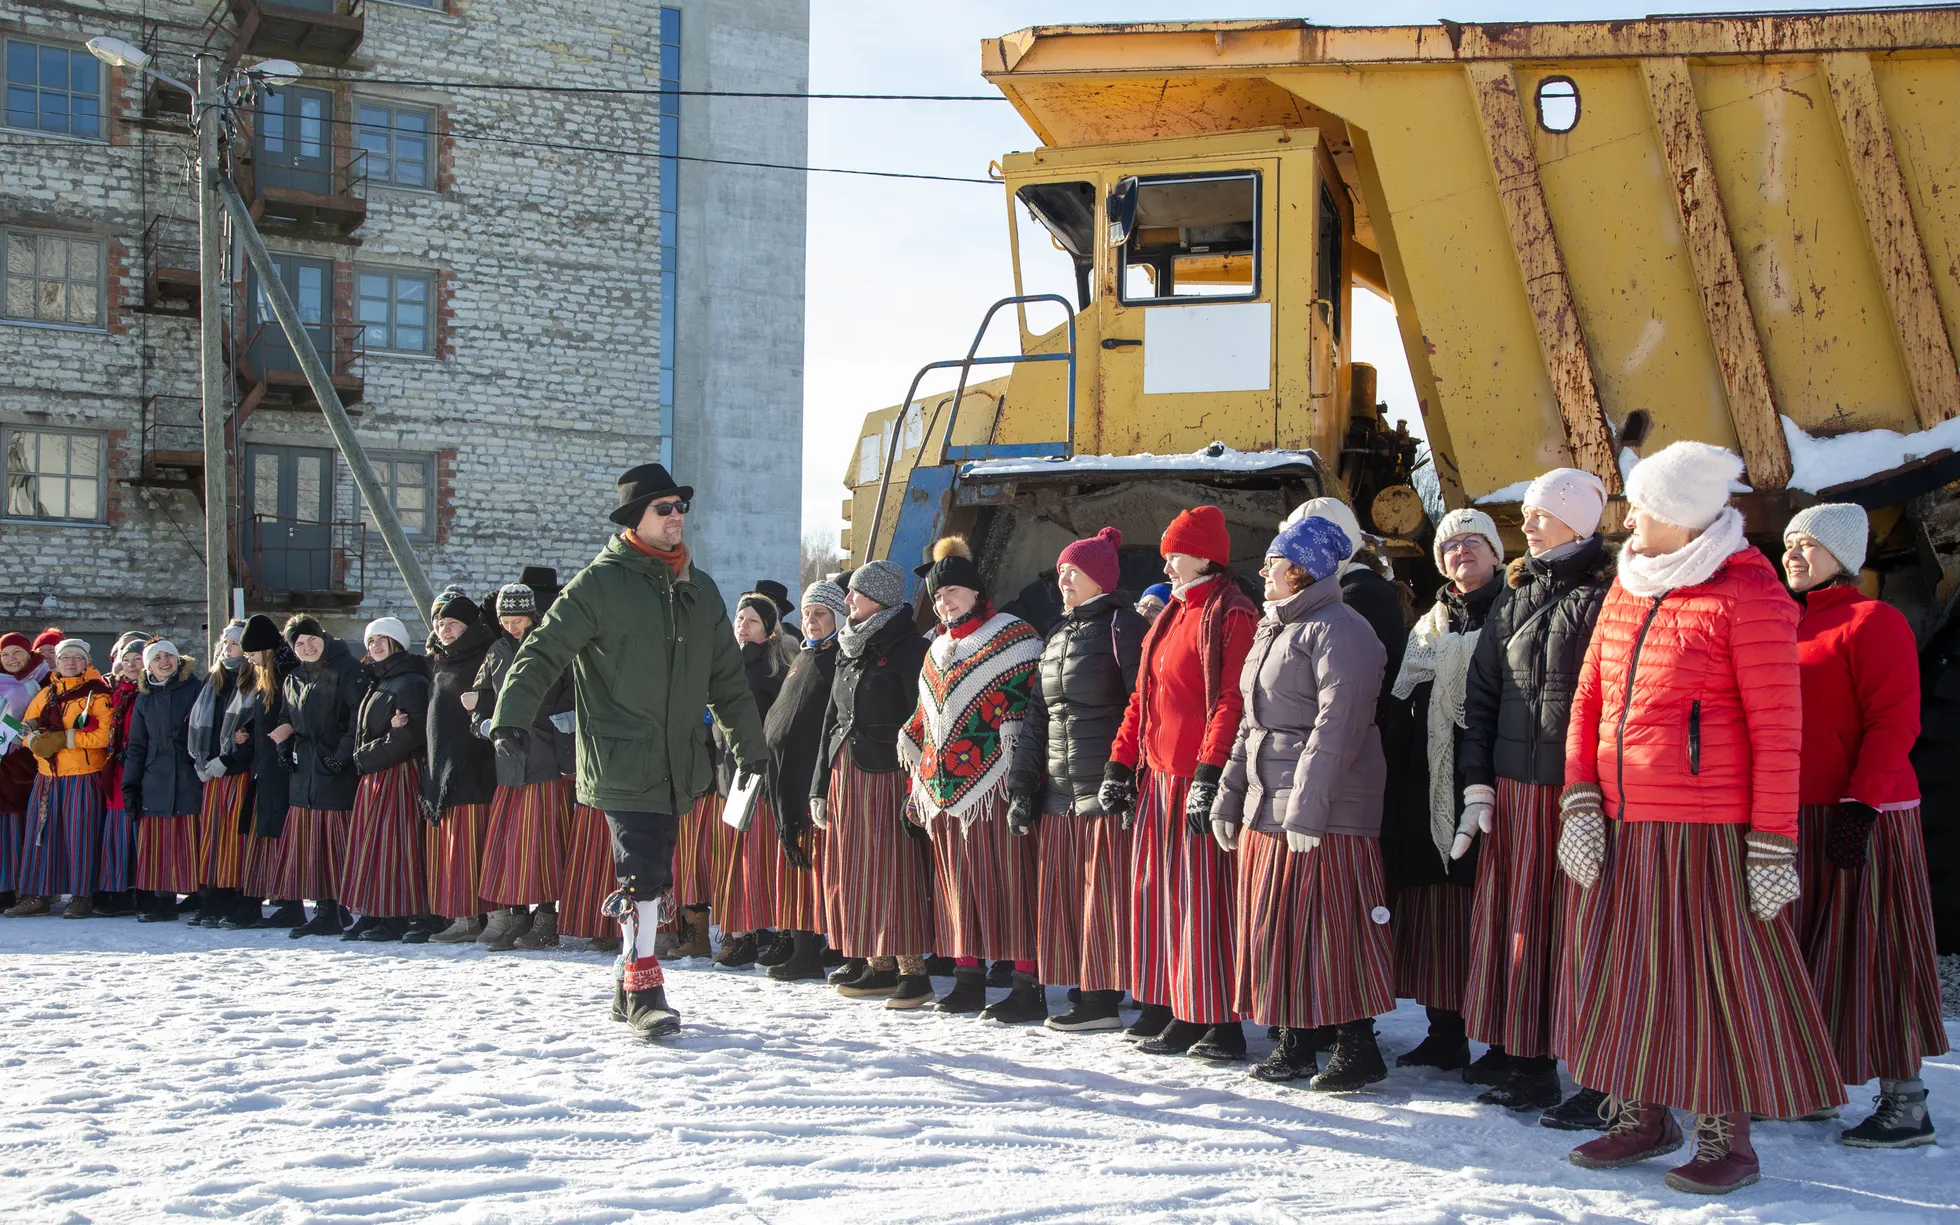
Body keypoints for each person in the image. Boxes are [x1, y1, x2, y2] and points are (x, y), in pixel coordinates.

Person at [1560, 441, 1844, 1194]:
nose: (1631, 521)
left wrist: (1772, 841)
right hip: (1626, 820)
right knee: (1632, 975)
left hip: (1709, 826)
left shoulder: (1747, 593)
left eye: (1645, 508)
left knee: (1711, 980)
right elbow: (1588, 699)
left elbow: (1780, 729)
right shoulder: (1628, 586)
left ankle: (1729, 1137)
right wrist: (1580, 795)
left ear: (1684, 520)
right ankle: (1642, 1116)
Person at [493, 462, 765, 1040]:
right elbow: (542, 652)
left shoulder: (700, 587)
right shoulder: (599, 583)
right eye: (663, 508)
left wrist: (750, 748)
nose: (677, 517)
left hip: (678, 758)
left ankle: (625, 983)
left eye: (681, 506)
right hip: (620, 755)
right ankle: (645, 988)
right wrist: (510, 718)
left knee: (655, 868)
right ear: (636, 520)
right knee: (640, 869)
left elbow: (728, 681)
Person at [1451, 468, 1616, 1123]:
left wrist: (1596, 796)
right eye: (1526, 510)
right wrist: (1478, 780)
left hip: (1579, 797)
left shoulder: (1607, 596)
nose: (1528, 522)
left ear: (1578, 521)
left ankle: (1603, 1077)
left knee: (1583, 933)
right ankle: (1532, 1062)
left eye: (1541, 512)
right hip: (1519, 793)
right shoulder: (1515, 598)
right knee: (1522, 929)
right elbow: (1483, 696)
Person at [1783, 504, 1946, 1148]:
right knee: (1809, 948)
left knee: (1875, 951)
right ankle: (1817, 1088)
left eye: (1809, 544)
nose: (1793, 553)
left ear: (1845, 555)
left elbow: (1895, 721)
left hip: (1863, 814)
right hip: (1797, 816)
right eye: (1790, 543)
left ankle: (1906, 1103)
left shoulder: (1872, 621)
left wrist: (1862, 804)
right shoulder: (1785, 625)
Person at [1212, 512, 1393, 1089]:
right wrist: (1227, 800)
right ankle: (1294, 1043)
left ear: (1299, 569)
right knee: (1281, 929)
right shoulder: (1274, 629)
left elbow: (1337, 727)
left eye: (1272, 562)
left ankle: (1356, 1047)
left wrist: (1307, 811)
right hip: (1271, 806)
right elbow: (1251, 726)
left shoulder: (1343, 630)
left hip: (1326, 813)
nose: (1262, 571)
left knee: (1334, 929)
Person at [1101, 505, 1260, 1060]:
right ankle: (1176, 1004)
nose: (1167, 565)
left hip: (1194, 777)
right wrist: (1120, 765)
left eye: (1175, 554)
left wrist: (1210, 774)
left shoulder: (1230, 613)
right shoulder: (1173, 612)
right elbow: (1143, 699)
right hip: (1159, 777)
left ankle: (1218, 1019)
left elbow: (1231, 702)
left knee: (1203, 901)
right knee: (1160, 898)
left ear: (1205, 556)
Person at [1005, 528, 1147, 1031]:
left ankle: (1103, 1000)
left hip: (1102, 785)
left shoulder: (1122, 627)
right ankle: (1084, 990)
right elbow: (1037, 718)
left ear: (1100, 578)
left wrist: (1126, 775)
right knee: (1068, 896)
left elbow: (1140, 704)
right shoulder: (1058, 633)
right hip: (1060, 789)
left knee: (1103, 897)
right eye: (1061, 571)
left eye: (1074, 572)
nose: (1063, 580)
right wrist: (1022, 788)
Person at [1379, 509, 1506, 1073]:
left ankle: (1508, 1044)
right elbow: (1404, 704)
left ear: (1496, 553)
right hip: (1430, 785)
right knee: (1438, 914)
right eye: (1450, 547)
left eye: (1473, 543)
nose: (1461, 553)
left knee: (1495, 914)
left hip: (1491, 779)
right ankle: (1445, 1032)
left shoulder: (1511, 613)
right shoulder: (1428, 627)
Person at [901, 537, 1046, 1020]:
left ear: (976, 591)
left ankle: (1026, 982)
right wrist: (914, 770)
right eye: (939, 596)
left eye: (953, 592)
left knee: (1009, 881)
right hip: (942, 789)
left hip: (996, 785)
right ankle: (967, 977)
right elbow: (927, 714)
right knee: (957, 884)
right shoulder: (936, 648)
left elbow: (1032, 708)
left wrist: (1022, 773)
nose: (945, 602)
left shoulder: (1017, 638)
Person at [809, 560, 935, 1005]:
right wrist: (819, 785)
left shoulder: (909, 649)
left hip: (887, 773)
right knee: (856, 870)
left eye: (855, 594)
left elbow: (922, 720)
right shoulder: (849, 645)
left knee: (891, 869)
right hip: (848, 771)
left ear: (878, 597)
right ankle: (878, 965)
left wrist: (917, 784)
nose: (847, 602)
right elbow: (833, 718)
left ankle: (913, 972)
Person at [474, 581, 576, 951]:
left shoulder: (552, 645)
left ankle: (547, 917)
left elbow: (572, 693)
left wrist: (553, 726)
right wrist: (486, 726)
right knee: (510, 845)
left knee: (544, 843)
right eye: (506, 619)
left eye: (517, 619)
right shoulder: (497, 651)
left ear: (532, 615)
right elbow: (483, 698)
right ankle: (518, 916)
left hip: (547, 755)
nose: (512, 626)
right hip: (509, 761)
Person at [759, 580, 848, 982]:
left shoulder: (839, 658)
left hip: (814, 779)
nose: (811, 621)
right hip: (786, 777)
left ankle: (823, 949)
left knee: (820, 870)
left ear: (839, 618)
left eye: (821, 614)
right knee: (795, 870)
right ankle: (800, 947)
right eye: (808, 613)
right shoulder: (805, 657)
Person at [712, 587, 796, 968]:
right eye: (739, 618)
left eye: (752, 620)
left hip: (764, 775)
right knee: (738, 858)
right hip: (731, 772)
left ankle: (781, 933)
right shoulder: (725, 663)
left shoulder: (773, 668)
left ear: (768, 629)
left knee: (765, 857)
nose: (742, 626)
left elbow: (783, 723)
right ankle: (742, 934)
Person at [341, 617, 431, 943]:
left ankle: (396, 915)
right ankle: (374, 912)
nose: (375, 646)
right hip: (377, 774)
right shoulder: (380, 680)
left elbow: (407, 736)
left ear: (398, 643)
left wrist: (363, 757)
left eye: (383, 639)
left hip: (398, 773)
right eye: (371, 641)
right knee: (374, 846)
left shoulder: (409, 682)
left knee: (394, 846)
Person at [7, 640, 112, 918]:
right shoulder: (46, 694)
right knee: (41, 836)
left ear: (86, 662)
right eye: (65, 657)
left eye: (77, 657)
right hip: (47, 776)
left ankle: (82, 895)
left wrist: (63, 739)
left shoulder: (98, 694)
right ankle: (37, 895)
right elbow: (22, 727)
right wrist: (33, 741)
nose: (70, 662)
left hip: (82, 774)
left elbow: (103, 736)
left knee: (81, 836)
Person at [276, 616, 363, 939]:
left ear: (323, 637)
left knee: (332, 844)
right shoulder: (294, 678)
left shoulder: (346, 670)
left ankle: (331, 909)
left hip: (334, 769)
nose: (307, 647)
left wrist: (340, 756)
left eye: (311, 639)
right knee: (312, 845)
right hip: (306, 773)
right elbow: (287, 715)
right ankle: (329, 908)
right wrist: (283, 748)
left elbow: (357, 718)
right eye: (299, 644)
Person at [423, 591, 501, 943]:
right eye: (441, 624)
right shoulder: (444, 660)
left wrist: (483, 702)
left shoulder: (486, 654)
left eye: (453, 624)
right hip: (446, 768)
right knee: (457, 850)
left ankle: (494, 915)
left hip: (476, 765)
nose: (446, 630)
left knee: (478, 846)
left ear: (469, 626)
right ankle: (464, 918)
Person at [219, 615, 303, 929]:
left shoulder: (285, 675)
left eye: (252, 651)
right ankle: (253, 903)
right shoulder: (265, 675)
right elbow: (267, 718)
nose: (248, 657)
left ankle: (286, 905)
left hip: (283, 769)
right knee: (261, 836)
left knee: (277, 837)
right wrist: (247, 732)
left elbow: (290, 717)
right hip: (265, 769)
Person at [124, 641, 203, 921]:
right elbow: (137, 745)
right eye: (156, 658)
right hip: (156, 778)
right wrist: (130, 786)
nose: (164, 661)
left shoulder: (196, 688)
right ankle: (163, 901)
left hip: (191, 775)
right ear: (148, 666)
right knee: (159, 844)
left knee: (193, 838)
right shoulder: (144, 698)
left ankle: (201, 897)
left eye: (169, 655)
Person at [186, 622, 252, 927]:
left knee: (233, 840)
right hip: (210, 771)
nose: (228, 647)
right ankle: (210, 900)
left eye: (236, 643)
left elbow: (250, 730)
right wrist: (204, 762)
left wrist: (229, 758)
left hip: (237, 771)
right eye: (225, 642)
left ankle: (233, 900)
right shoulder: (213, 679)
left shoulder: (253, 680)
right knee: (211, 838)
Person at [95, 633, 148, 917]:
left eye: (137, 660)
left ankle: (139, 889)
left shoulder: (150, 691)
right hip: (117, 768)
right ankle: (115, 886)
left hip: (142, 767)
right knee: (117, 825)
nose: (131, 665)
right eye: (126, 660)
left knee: (137, 824)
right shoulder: (116, 691)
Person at [0, 631, 44, 914]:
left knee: (16, 830)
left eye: (16, 652)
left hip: (21, 763)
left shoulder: (38, 681)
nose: (11, 659)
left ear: (28, 653)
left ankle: (17, 890)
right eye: (5, 654)